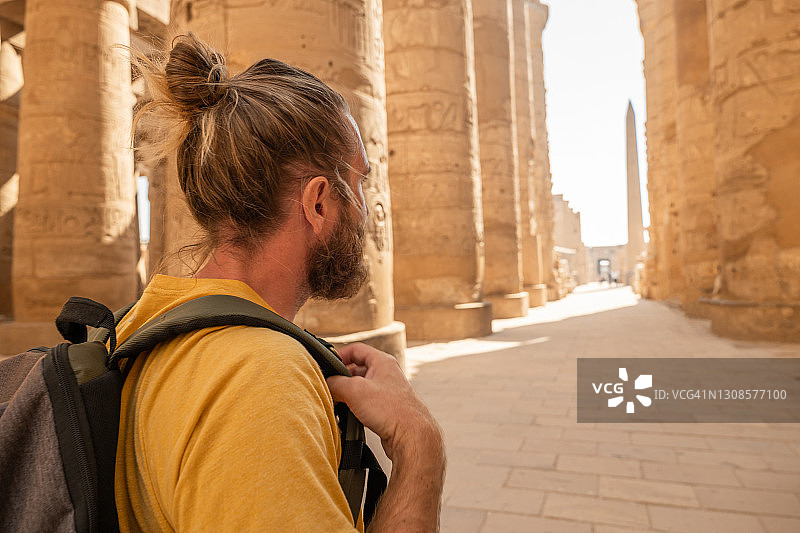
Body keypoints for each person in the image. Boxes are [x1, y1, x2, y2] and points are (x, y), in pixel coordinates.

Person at [115, 34, 445, 532]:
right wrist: (421, 447)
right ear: (318, 203)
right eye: (359, 182)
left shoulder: (146, 321)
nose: (366, 209)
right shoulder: (260, 383)